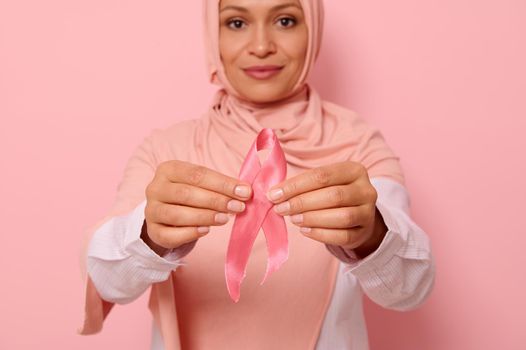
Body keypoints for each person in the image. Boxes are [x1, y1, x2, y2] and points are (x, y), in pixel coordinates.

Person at [78, 0, 435, 349]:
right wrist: (148, 234)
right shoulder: (166, 151)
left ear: (312, 28)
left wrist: (372, 235)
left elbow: (410, 288)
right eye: (236, 23)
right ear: (212, 35)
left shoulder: (358, 146)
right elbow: (106, 281)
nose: (262, 46)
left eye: (285, 21)